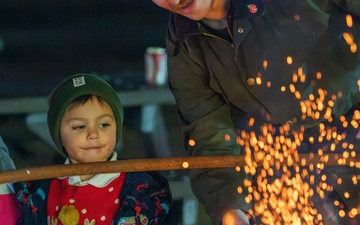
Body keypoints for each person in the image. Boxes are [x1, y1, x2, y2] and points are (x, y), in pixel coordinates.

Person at [150, 0, 360, 224]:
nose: (173, 0)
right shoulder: (185, 43)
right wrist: (231, 212)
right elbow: (209, 139)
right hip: (279, 179)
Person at [3, 74, 172, 225]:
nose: (93, 134)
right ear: (59, 134)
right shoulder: (37, 190)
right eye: (79, 126)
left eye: (104, 124)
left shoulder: (147, 191)